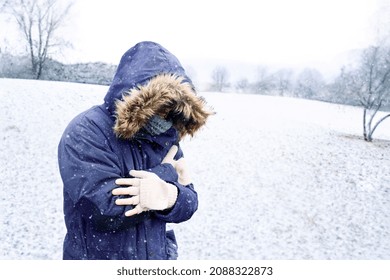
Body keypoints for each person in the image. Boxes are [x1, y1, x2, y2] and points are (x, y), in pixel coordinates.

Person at [57, 41, 214, 260]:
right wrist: (166, 174)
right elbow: (104, 209)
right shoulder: (87, 130)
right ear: (138, 98)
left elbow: (190, 202)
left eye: (173, 110)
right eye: (161, 106)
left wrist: (169, 196)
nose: (166, 118)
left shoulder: (168, 136)